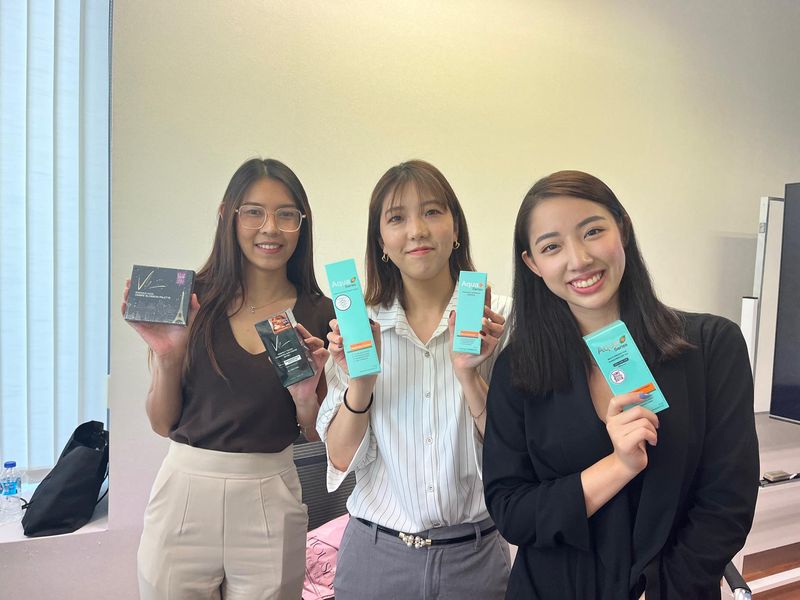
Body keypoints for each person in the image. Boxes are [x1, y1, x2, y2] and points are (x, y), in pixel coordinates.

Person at [482, 170, 759, 599]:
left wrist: (664, 590)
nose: (579, 259)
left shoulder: (710, 347)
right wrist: (619, 467)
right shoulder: (519, 370)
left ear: (622, 229)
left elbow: (727, 502)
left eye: (593, 231)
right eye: (552, 246)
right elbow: (512, 511)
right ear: (533, 264)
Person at [124, 158, 333, 600]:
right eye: (254, 212)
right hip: (184, 493)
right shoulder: (189, 299)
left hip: (271, 492)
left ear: (302, 224)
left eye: (286, 214)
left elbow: (319, 434)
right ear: (227, 216)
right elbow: (162, 423)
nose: (270, 228)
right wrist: (168, 356)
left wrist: (304, 399)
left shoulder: (320, 313)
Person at [317, 160, 512, 599]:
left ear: (456, 227)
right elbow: (340, 458)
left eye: (432, 212)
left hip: (475, 559)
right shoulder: (358, 328)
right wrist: (361, 381)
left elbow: (518, 453)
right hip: (375, 558)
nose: (417, 231)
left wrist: (471, 376)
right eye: (397, 218)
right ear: (381, 242)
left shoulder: (501, 319)